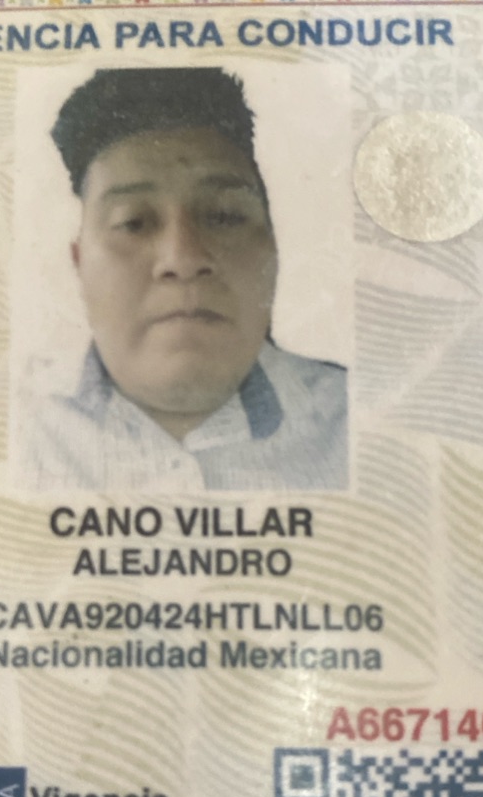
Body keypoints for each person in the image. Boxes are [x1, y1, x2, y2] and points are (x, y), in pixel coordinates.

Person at [19, 67, 347, 491]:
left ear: (273, 251)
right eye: (134, 222)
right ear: (79, 263)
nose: (183, 258)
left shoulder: (361, 421)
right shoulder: (6, 428)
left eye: (224, 216)